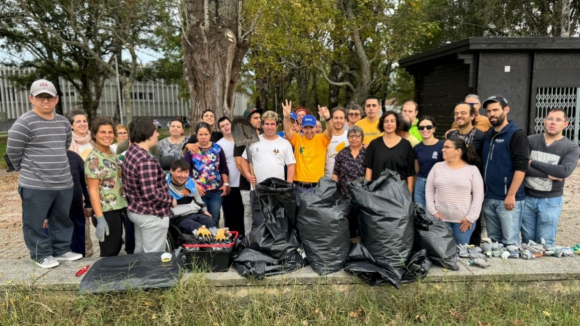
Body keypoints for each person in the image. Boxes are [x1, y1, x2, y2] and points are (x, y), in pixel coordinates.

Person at [7, 79, 82, 268]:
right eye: (41, 97)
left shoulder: (64, 122)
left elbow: (63, 147)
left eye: (49, 97)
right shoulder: (24, 123)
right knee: (35, 222)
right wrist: (29, 171)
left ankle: (62, 250)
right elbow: (13, 152)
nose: (45, 101)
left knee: (62, 219)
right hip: (36, 184)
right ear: (31, 98)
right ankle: (41, 254)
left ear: (56, 99)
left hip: (63, 183)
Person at [522, 108, 580, 247]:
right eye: (550, 119)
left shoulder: (571, 147)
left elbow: (564, 171)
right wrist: (548, 174)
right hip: (527, 198)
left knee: (545, 243)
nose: (553, 123)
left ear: (566, 124)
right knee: (527, 242)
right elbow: (521, 166)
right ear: (544, 121)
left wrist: (533, 162)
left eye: (558, 120)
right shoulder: (530, 140)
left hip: (550, 201)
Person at [481, 95, 530, 246]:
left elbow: (521, 167)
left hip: (508, 200)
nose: (492, 114)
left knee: (510, 242)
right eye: (489, 111)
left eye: (495, 110)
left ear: (506, 110)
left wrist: (511, 194)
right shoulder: (488, 135)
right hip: (489, 197)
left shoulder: (516, 134)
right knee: (495, 242)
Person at [122, 117, 175, 253]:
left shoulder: (131, 151)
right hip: (151, 214)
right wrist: (170, 200)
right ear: (147, 132)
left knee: (140, 251)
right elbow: (151, 193)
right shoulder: (145, 160)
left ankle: (138, 274)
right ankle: (153, 275)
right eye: (156, 131)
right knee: (154, 257)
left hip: (137, 209)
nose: (158, 134)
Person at [241, 110, 296, 227]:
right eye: (266, 124)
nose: (269, 127)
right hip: (257, 190)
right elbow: (243, 160)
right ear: (262, 125)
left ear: (277, 125)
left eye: (272, 124)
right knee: (259, 222)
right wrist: (247, 174)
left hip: (278, 191)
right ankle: (260, 245)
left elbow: (291, 165)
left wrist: (288, 186)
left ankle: (276, 245)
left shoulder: (285, 143)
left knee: (278, 223)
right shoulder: (253, 141)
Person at [425, 138, 484, 245]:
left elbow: (478, 196)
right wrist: (433, 212)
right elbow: (429, 190)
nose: (443, 149)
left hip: (462, 222)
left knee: (460, 255)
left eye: (447, 147)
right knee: (441, 254)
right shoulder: (437, 167)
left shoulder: (472, 170)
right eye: (443, 147)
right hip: (440, 221)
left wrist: (470, 218)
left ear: (458, 151)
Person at [85, 118, 128, 257]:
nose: (107, 135)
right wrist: (100, 218)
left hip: (118, 208)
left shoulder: (111, 154)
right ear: (94, 135)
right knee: (109, 251)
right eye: (102, 132)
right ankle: (104, 278)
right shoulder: (94, 158)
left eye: (110, 132)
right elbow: (93, 191)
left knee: (116, 248)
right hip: (105, 211)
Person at [283, 100, 333, 206]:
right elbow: (287, 131)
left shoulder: (322, 139)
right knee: (298, 218)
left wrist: (327, 118)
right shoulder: (297, 139)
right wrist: (287, 117)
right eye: (306, 127)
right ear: (301, 127)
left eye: (311, 127)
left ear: (316, 127)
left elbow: (330, 131)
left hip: (316, 187)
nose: (309, 130)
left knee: (314, 220)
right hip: (298, 187)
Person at [184, 122, 230, 226]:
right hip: (199, 192)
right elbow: (187, 171)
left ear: (210, 134)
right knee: (203, 218)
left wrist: (226, 184)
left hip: (216, 192)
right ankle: (204, 240)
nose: (203, 137)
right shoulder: (191, 150)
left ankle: (215, 239)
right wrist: (196, 186)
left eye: (206, 134)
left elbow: (223, 167)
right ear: (196, 135)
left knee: (215, 217)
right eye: (200, 134)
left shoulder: (217, 148)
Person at [66, 109, 95, 256]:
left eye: (84, 121)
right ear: (71, 125)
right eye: (78, 121)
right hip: (80, 192)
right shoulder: (68, 143)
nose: (83, 124)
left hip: (98, 189)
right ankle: (85, 255)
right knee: (84, 229)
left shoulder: (93, 141)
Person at [365, 111, 415, 192]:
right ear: (382, 124)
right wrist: (367, 190)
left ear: (397, 123)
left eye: (392, 121)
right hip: (377, 193)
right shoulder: (374, 144)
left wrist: (409, 194)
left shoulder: (406, 145)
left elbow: (410, 173)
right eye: (386, 121)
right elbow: (369, 169)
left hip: (399, 194)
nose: (389, 124)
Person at [332, 126, 366, 238]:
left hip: (362, 195)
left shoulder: (367, 153)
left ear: (362, 138)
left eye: (357, 136)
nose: (354, 138)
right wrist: (335, 190)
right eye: (351, 136)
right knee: (348, 225)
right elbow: (335, 172)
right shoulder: (342, 153)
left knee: (362, 224)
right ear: (348, 138)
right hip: (345, 195)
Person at [234, 108, 262, 235]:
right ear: (248, 121)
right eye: (255, 118)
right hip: (246, 183)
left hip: (262, 181)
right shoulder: (241, 138)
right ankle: (248, 237)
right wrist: (248, 176)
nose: (259, 120)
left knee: (261, 210)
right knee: (248, 211)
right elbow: (239, 163)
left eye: (259, 117)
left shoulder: (263, 136)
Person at [167, 159, 214, 233]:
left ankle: (213, 242)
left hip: (194, 212)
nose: (183, 175)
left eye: (186, 172)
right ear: (171, 171)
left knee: (208, 220)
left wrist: (205, 210)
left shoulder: (190, 183)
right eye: (180, 172)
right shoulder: (163, 185)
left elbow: (198, 200)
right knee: (196, 227)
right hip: (178, 217)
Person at [217, 117, 245, 233]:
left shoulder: (242, 140)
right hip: (229, 184)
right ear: (220, 129)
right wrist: (225, 183)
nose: (226, 127)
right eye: (223, 126)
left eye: (227, 124)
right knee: (230, 214)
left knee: (243, 213)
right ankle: (233, 239)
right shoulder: (219, 145)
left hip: (244, 182)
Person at [413, 116, 444, 209]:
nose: (425, 130)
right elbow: (416, 169)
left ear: (434, 129)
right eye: (421, 128)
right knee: (419, 213)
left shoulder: (443, 146)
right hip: (420, 183)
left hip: (437, 184)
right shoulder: (416, 148)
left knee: (433, 215)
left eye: (428, 127)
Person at [66, 150, 93, 257]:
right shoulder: (42, 158)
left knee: (79, 251)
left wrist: (88, 203)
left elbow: (84, 182)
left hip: (76, 211)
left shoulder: (73, 157)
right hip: (55, 215)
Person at [324, 107, 349, 178]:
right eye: (336, 118)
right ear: (331, 120)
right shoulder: (324, 136)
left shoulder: (350, 137)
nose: (338, 120)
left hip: (345, 179)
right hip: (327, 178)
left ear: (345, 120)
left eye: (341, 118)